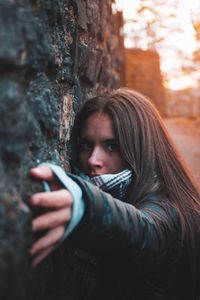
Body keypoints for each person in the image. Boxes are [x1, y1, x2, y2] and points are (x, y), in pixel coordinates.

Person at [29, 88, 200, 300]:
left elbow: (143, 231)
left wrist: (85, 205)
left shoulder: (169, 212)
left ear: (140, 150)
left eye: (111, 146)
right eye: (86, 145)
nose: (93, 160)